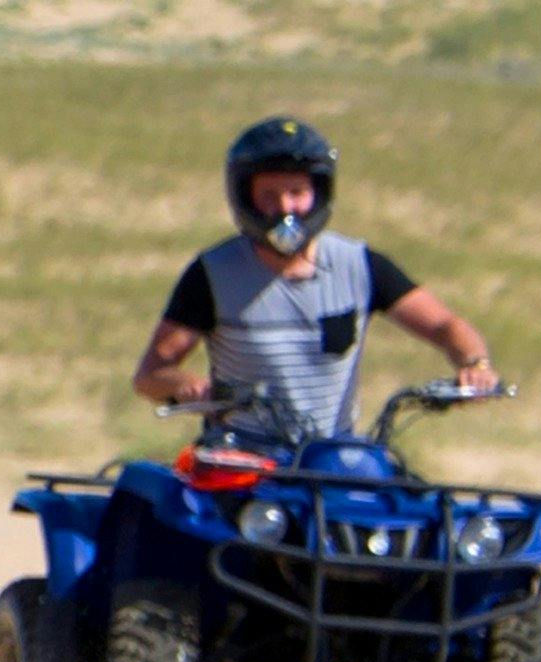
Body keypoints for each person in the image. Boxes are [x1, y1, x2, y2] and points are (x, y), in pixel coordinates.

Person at [133, 116, 493, 445]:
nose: (286, 208)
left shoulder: (360, 265)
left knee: (393, 504)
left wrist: (473, 364)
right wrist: (186, 386)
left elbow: (445, 325)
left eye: (296, 193)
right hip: (242, 454)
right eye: (269, 196)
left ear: (318, 194)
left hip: (332, 453)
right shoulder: (214, 273)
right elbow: (151, 374)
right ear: (246, 198)